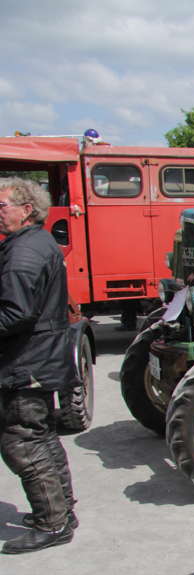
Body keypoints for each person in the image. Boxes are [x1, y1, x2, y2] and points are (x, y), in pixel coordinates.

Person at [0, 178, 78, 554]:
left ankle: (53, 522)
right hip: (40, 358)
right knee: (41, 436)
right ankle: (62, 512)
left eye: (2, 205)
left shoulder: (24, 253)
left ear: (26, 210)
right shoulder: (37, 243)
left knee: (22, 440)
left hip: (26, 361)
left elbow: (16, 312)